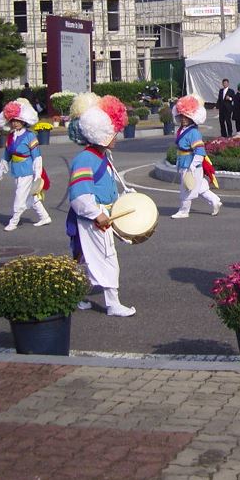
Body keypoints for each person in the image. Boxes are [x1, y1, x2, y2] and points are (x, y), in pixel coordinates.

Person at [66, 95, 136, 317]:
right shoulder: (85, 160)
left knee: (84, 258)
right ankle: (112, 304)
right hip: (95, 218)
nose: (117, 135)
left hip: (102, 213)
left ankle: (73, 295)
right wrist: (97, 214)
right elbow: (79, 195)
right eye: (113, 131)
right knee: (106, 258)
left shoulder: (102, 155)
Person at [0, 98, 51, 231]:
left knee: (20, 195)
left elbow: (37, 156)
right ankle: (44, 216)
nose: (15, 123)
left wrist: (37, 173)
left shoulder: (30, 136)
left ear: (23, 121)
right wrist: (2, 167)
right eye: (13, 120)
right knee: (29, 195)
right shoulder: (11, 136)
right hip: (16, 170)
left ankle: (14, 221)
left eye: (18, 120)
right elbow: (7, 154)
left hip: (28, 170)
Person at [171, 95, 221, 219]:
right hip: (184, 162)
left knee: (186, 187)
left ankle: (184, 211)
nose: (183, 119)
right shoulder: (183, 130)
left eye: (186, 116)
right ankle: (215, 201)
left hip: (190, 164)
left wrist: (193, 165)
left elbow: (199, 151)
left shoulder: (193, 132)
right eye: (182, 116)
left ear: (192, 117)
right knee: (200, 187)